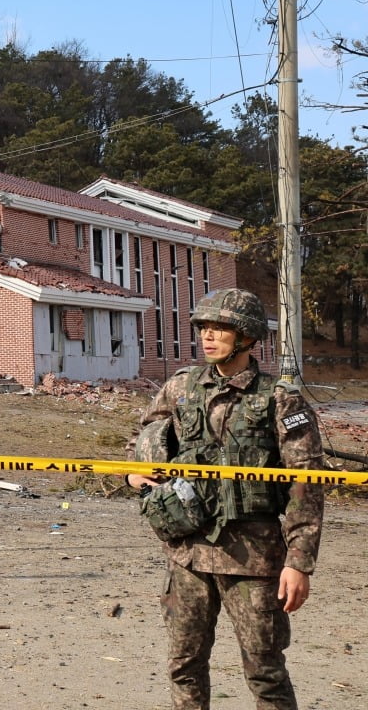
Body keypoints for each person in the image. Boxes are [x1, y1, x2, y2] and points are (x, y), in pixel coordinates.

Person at [126, 288, 324, 709]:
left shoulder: (278, 398)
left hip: (252, 557)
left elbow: (306, 483)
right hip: (187, 553)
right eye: (204, 328)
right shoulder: (180, 388)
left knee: (265, 672)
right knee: (184, 665)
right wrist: (135, 475)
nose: (208, 337)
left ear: (248, 337)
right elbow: (143, 443)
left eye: (221, 329)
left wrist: (298, 562)